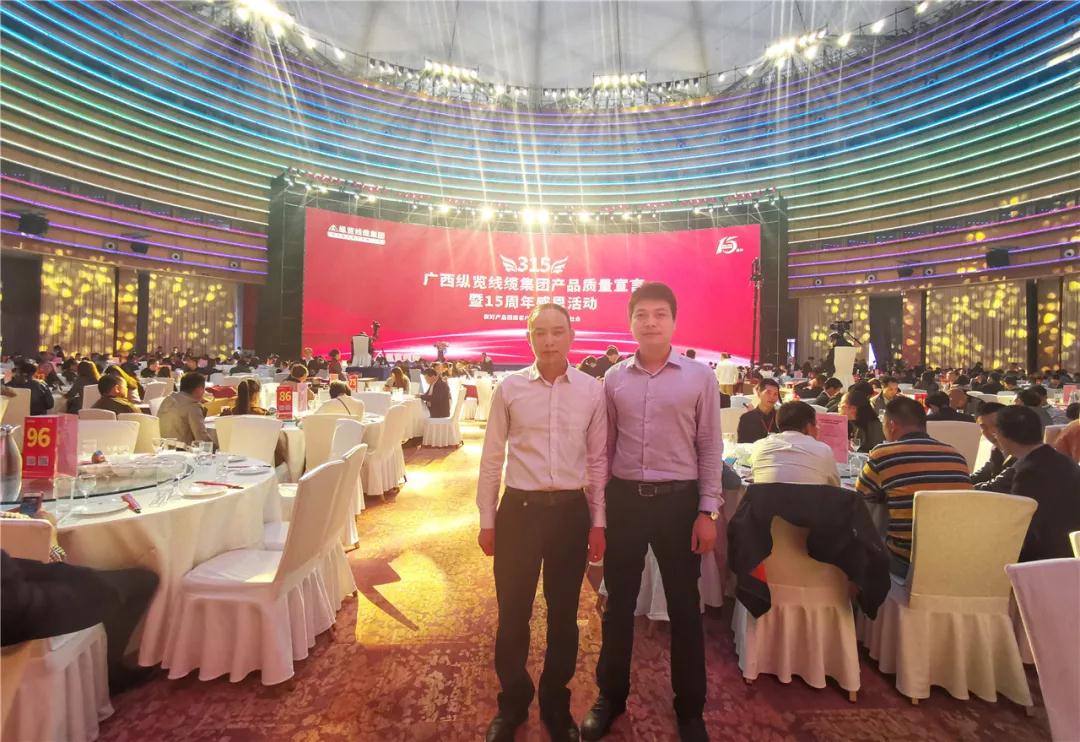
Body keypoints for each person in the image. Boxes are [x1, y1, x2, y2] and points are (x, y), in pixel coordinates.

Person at [584, 282, 721, 742]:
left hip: (679, 503)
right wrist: (599, 512)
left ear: (674, 321)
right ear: (630, 322)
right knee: (617, 604)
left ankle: (690, 709)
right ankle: (610, 697)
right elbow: (603, 449)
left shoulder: (699, 378)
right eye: (641, 314)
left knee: (684, 607)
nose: (650, 322)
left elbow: (710, 447)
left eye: (660, 314)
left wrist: (708, 511)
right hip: (625, 499)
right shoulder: (613, 379)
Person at [477, 304, 607, 742]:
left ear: (571, 335)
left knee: (564, 615)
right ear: (529, 337)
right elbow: (491, 457)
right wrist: (487, 519)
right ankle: (512, 703)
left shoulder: (591, 391)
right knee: (513, 614)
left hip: (570, 513)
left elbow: (598, 461)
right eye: (540, 332)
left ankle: (555, 703)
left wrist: (598, 521)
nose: (549, 341)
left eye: (557, 331)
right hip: (519, 512)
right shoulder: (510, 388)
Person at [1, 550, 159, 692]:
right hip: (16, 606)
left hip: (13, 577)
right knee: (143, 582)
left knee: (92, 577)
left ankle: (109, 670)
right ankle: (110, 675)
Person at [856, 396, 971, 577]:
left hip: (905, 561)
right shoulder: (956, 455)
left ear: (891, 425)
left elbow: (862, 496)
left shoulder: (883, 454)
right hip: (956, 557)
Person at [994, 406, 1080, 561]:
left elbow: (1022, 528)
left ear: (1003, 435)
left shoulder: (1028, 472)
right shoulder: (1065, 461)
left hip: (1046, 561)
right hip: (1072, 552)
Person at [750, 400, 840, 486]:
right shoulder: (823, 450)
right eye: (815, 424)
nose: (817, 428)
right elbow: (835, 488)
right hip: (809, 497)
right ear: (809, 426)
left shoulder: (759, 446)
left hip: (767, 497)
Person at [971, 401, 1016, 490]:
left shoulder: (1020, 451)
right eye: (984, 427)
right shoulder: (996, 450)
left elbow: (998, 486)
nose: (991, 431)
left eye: (996, 425)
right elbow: (983, 474)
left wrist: (963, 487)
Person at [157, 372, 211, 445]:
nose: (204, 392)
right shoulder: (192, 406)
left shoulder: (168, 399)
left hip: (162, 446)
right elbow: (202, 439)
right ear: (199, 389)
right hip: (181, 449)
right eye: (203, 389)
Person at [736, 378, 781, 444]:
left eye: (775, 394)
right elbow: (742, 445)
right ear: (759, 393)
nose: (772, 397)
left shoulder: (781, 417)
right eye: (768, 393)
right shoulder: (747, 418)